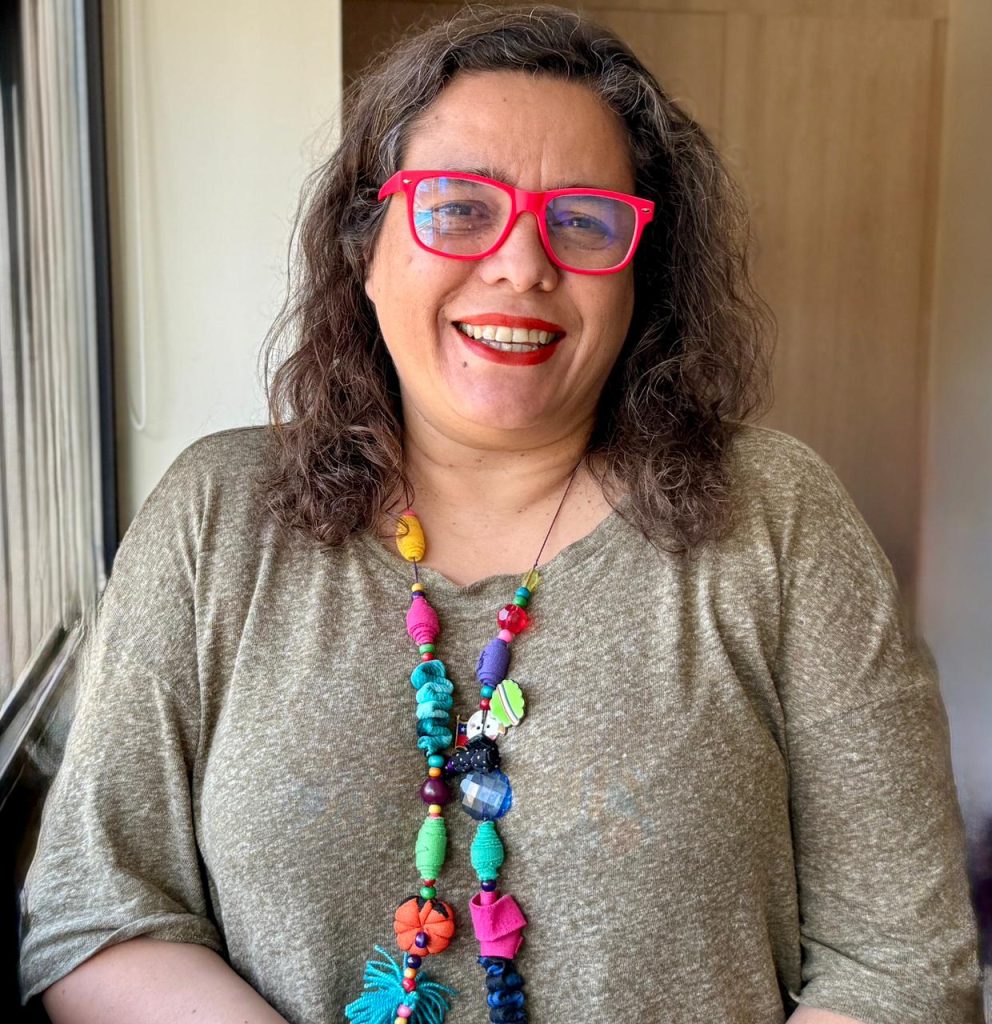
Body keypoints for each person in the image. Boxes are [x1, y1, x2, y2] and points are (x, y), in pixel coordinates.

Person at [19, 4, 983, 1023]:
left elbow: (901, 967)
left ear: (640, 272)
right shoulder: (215, 516)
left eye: (582, 220)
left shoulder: (778, 519)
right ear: (366, 244)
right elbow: (97, 909)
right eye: (458, 207)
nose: (523, 264)